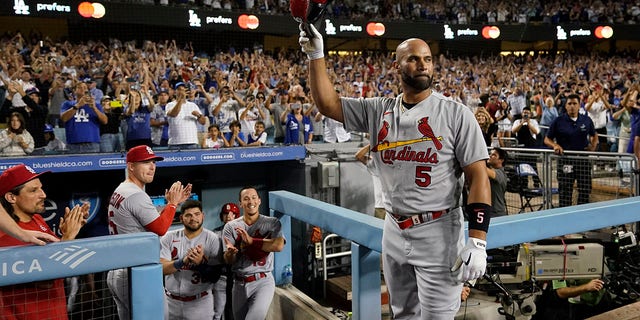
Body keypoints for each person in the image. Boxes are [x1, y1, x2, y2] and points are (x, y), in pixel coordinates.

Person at [300, 28, 491, 318]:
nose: (423, 64)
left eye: (427, 58)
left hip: (438, 230)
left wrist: (478, 241)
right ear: (396, 65)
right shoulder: (380, 110)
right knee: (402, 314)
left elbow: (478, 176)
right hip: (394, 226)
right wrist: (316, 54)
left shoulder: (455, 114)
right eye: (413, 59)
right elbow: (329, 104)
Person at [107, 145, 193, 320]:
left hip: (118, 269)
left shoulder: (122, 189)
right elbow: (160, 228)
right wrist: (172, 204)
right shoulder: (136, 195)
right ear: (131, 166)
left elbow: (148, 219)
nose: (152, 166)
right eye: (146, 162)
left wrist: (173, 203)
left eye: (153, 162)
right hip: (135, 273)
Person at [0, 164, 87, 320]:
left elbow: (51, 258)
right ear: (11, 197)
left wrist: (64, 235)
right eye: (33, 191)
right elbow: (45, 281)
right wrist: (67, 240)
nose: (43, 194)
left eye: (41, 188)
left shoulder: (36, 219)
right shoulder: (7, 236)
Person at [222, 186, 285, 320]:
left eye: (254, 197)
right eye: (246, 199)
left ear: (259, 201)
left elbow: (278, 246)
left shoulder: (272, 222)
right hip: (239, 282)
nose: (251, 201)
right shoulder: (231, 226)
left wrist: (252, 241)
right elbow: (228, 260)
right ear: (240, 203)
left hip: (262, 280)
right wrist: (231, 253)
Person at [160, 200, 225, 320]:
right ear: (181, 218)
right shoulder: (168, 237)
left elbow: (215, 276)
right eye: (188, 215)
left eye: (197, 214)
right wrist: (182, 261)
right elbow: (162, 269)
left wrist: (200, 264)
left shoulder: (213, 239)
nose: (193, 218)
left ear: (202, 216)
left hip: (200, 302)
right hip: (171, 301)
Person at [544, 94, 598, 207]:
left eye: (575, 103)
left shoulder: (586, 120)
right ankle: (565, 219)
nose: (572, 106)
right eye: (569, 104)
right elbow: (547, 139)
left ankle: (582, 218)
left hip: (583, 161)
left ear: (579, 105)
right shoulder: (558, 121)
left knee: (584, 190)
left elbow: (594, 134)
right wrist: (555, 145)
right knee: (565, 191)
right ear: (565, 106)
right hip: (565, 160)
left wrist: (593, 145)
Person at [59, 81, 108, 153]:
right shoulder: (67, 104)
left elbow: (105, 121)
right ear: (74, 91)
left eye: (84, 87)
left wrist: (94, 108)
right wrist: (78, 105)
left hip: (92, 144)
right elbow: (64, 118)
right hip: (73, 144)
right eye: (79, 87)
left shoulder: (96, 105)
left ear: (87, 91)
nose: (82, 89)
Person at [213, 203, 240, 320]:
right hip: (221, 276)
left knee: (235, 311)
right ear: (221, 216)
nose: (229, 216)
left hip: (237, 276)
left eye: (232, 214)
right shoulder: (215, 233)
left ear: (237, 216)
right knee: (218, 311)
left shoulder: (242, 231)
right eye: (225, 214)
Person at [167, 82, 207, 150]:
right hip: (175, 143)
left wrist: (199, 115)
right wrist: (180, 100)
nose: (182, 92)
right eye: (179, 89)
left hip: (191, 142)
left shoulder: (193, 105)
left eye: (183, 90)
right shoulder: (170, 105)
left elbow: (203, 122)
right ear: (175, 92)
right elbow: (174, 114)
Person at [355, 144, 386, 219]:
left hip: (395, 208)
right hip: (381, 207)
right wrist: (372, 143)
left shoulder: (395, 164)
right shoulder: (374, 164)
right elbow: (358, 156)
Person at [486, 147, 508, 217]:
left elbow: (484, 170)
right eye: (490, 154)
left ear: (501, 160)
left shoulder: (501, 173)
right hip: (488, 211)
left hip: (497, 214)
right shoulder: (490, 170)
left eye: (494, 155)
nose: (490, 156)